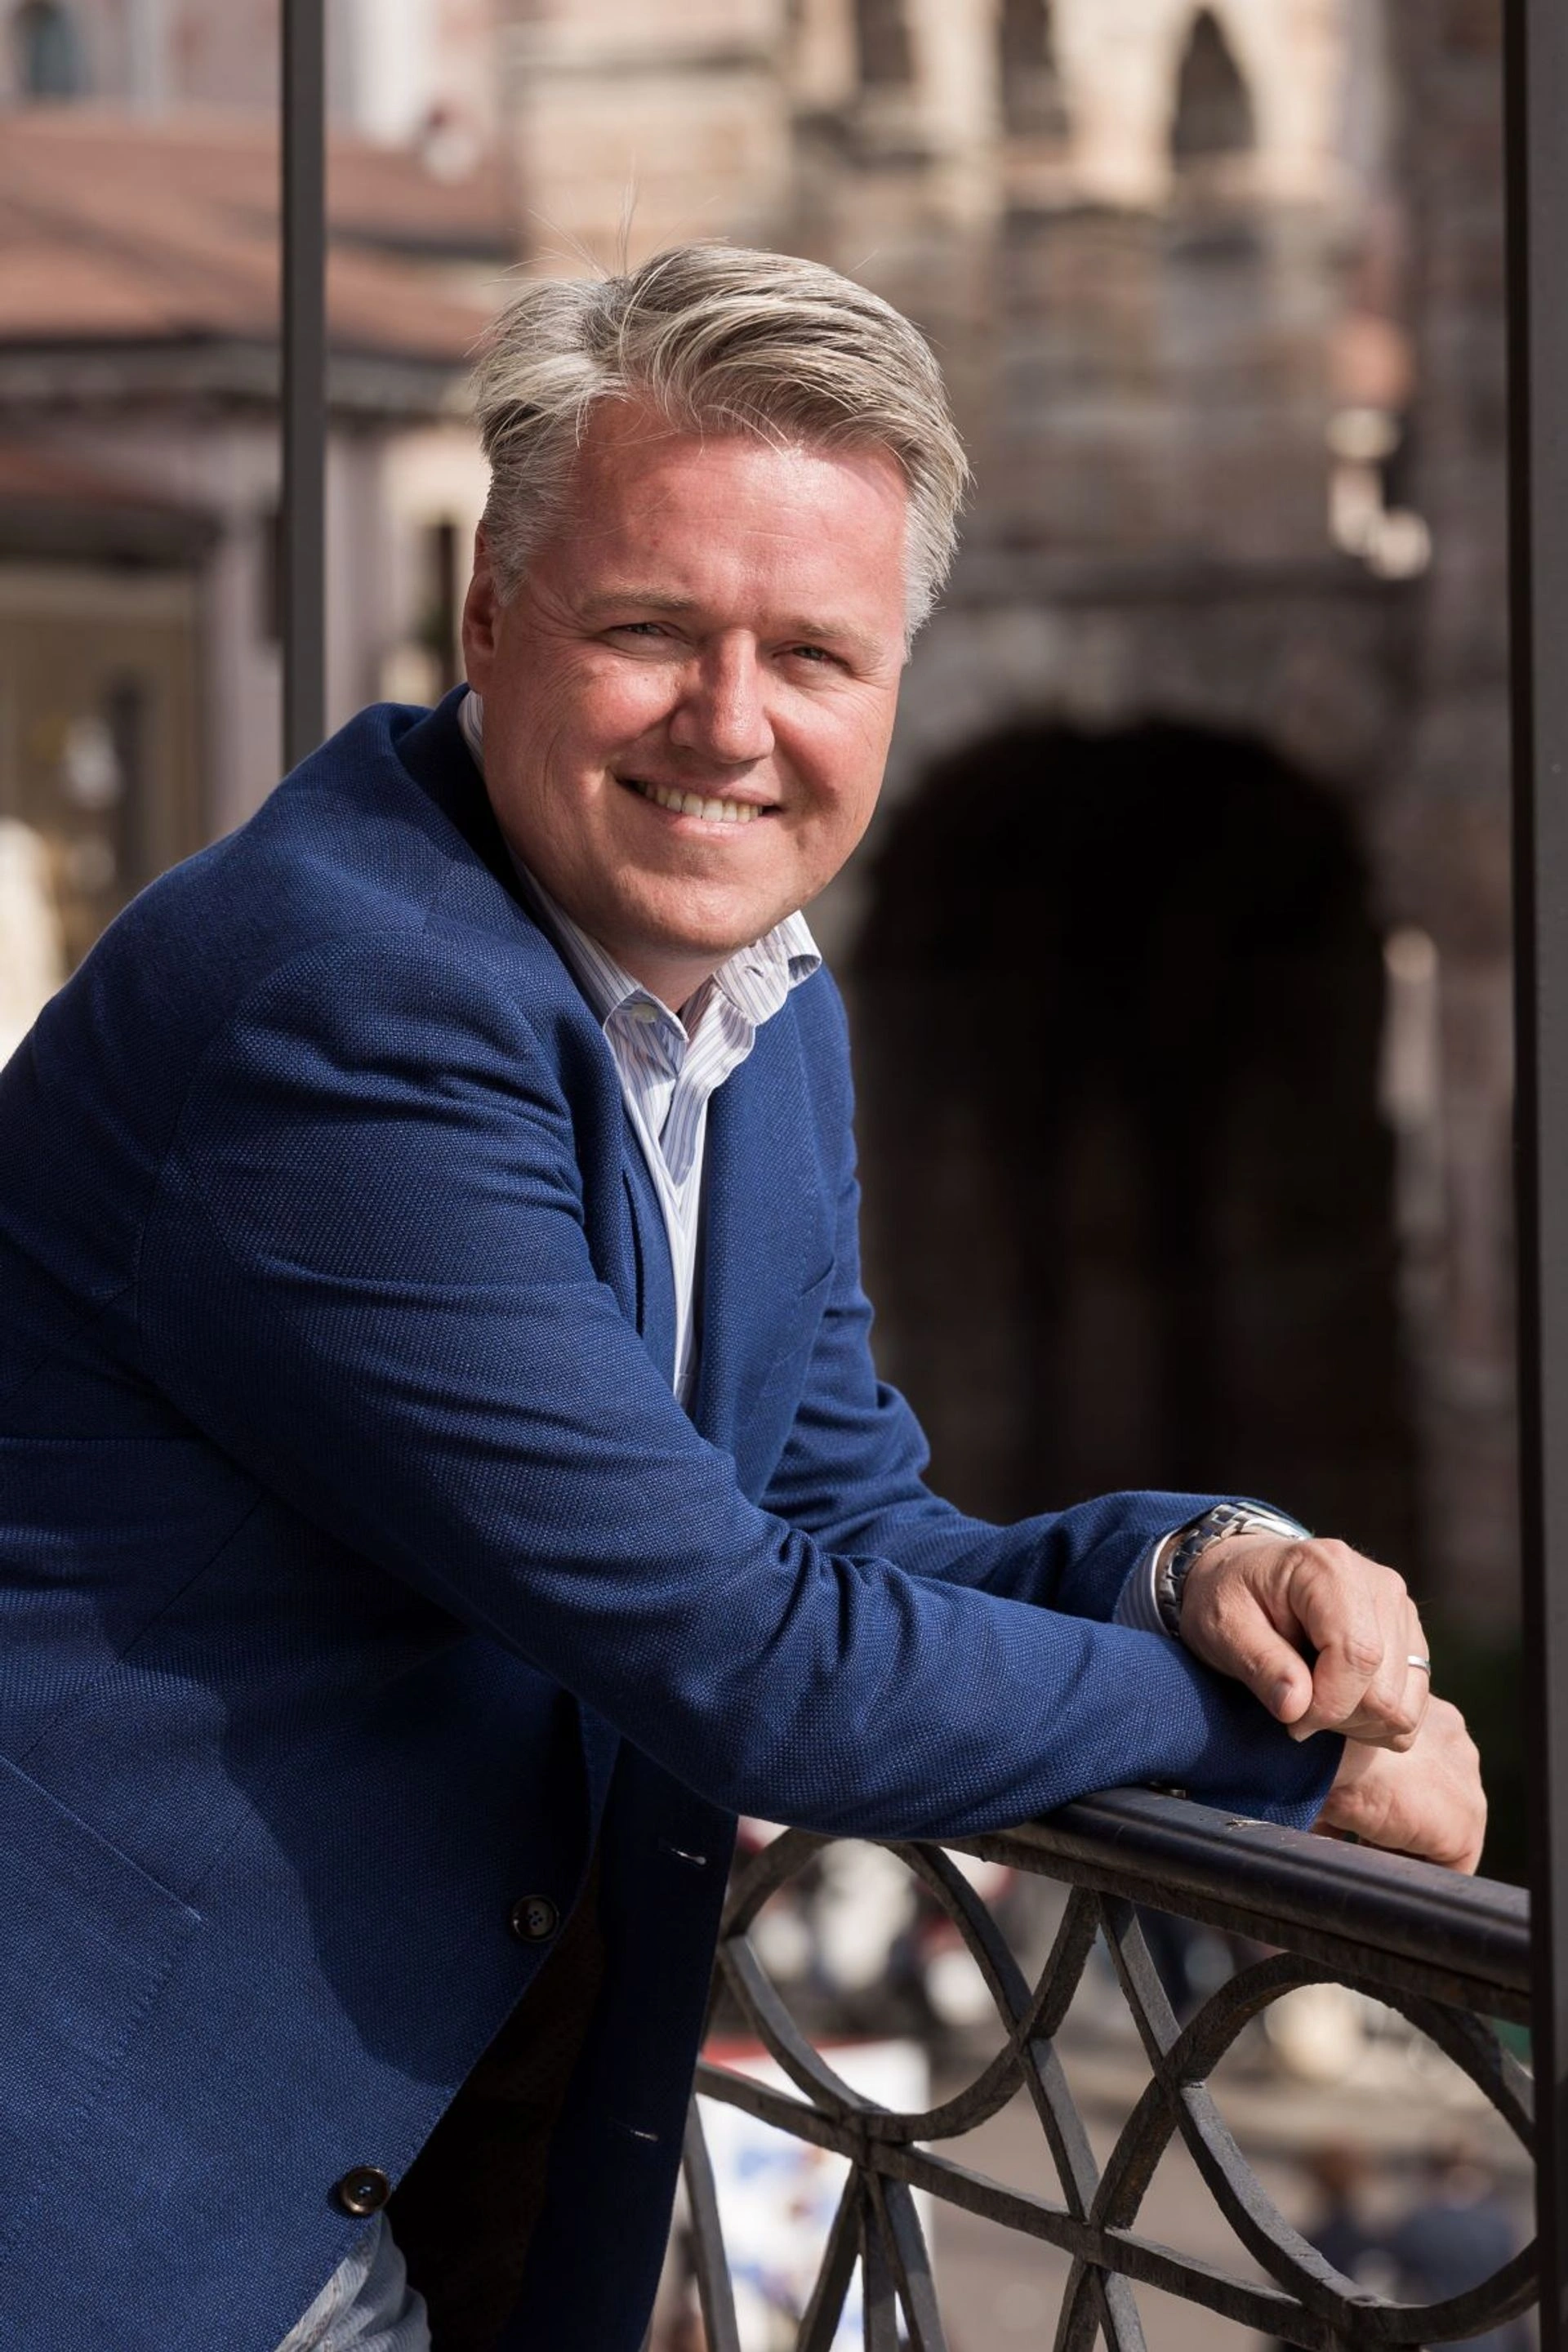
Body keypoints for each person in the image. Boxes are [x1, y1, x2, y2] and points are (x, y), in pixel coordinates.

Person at [0, 244, 1483, 2352]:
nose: (732, 724)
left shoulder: (753, 1013)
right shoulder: (342, 997)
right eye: (648, 631)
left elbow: (838, 1517)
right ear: (489, 616)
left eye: (815, 655)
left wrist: (1198, 1576)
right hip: (116, 2191)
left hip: (362, 2166)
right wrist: (1277, 1749)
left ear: (895, 683)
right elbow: (747, 1654)